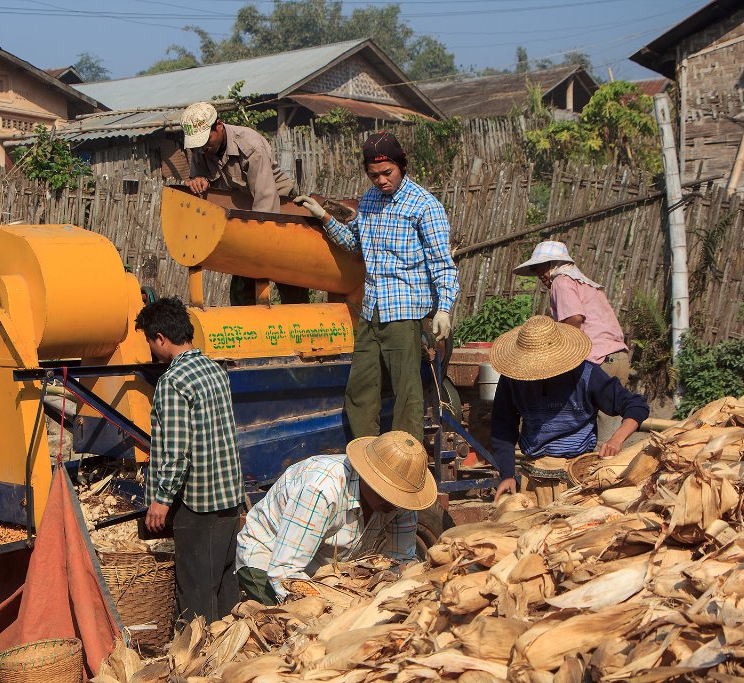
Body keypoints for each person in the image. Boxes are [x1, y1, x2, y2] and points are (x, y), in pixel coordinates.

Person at [294, 132, 459, 447]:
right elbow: (355, 244)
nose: (381, 180)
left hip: (404, 312)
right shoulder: (369, 200)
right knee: (360, 391)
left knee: (406, 394)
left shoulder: (424, 206)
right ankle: (367, 461)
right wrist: (324, 216)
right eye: (374, 175)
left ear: (402, 165)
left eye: (388, 173)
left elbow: (442, 263)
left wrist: (444, 309)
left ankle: (403, 464)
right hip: (371, 312)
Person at [135, 296, 245, 624]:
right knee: (225, 585)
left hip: (199, 507)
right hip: (228, 499)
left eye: (149, 343)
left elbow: (176, 451)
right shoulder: (214, 370)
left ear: (160, 339)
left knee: (195, 595)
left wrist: (161, 501)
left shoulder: (173, 381)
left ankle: (196, 665)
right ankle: (232, 654)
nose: (151, 351)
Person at [236, 430, 436, 604]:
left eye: (399, 499)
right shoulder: (322, 490)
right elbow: (284, 571)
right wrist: (332, 605)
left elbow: (400, 561)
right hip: (268, 559)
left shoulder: (402, 501)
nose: (395, 506)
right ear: (367, 477)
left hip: (327, 571)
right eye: (388, 495)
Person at [489, 316, 649, 506]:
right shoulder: (513, 379)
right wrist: (507, 473)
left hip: (577, 477)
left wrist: (617, 439)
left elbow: (636, 405)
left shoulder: (586, 375)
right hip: (533, 477)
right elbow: (503, 426)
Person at [181, 100, 308, 306]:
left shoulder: (250, 146)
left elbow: (266, 200)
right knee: (242, 289)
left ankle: (301, 323)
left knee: (287, 275)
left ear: (219, 126)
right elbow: (199, 178)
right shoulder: (201, 150)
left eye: (206, 140)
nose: (203, 147)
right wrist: (198, 180)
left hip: (277, 209)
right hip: (244, 212)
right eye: (197, 143)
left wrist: (256, 245)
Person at [513, 241, 630, 442]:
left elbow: (574, 319)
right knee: (611, 428)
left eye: (540, 268)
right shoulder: (583, 282)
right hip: (617, 358)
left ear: (553, 264)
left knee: (597, 437)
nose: (539, 274)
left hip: (598, 359)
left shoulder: (562, 281)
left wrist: (562, 358)